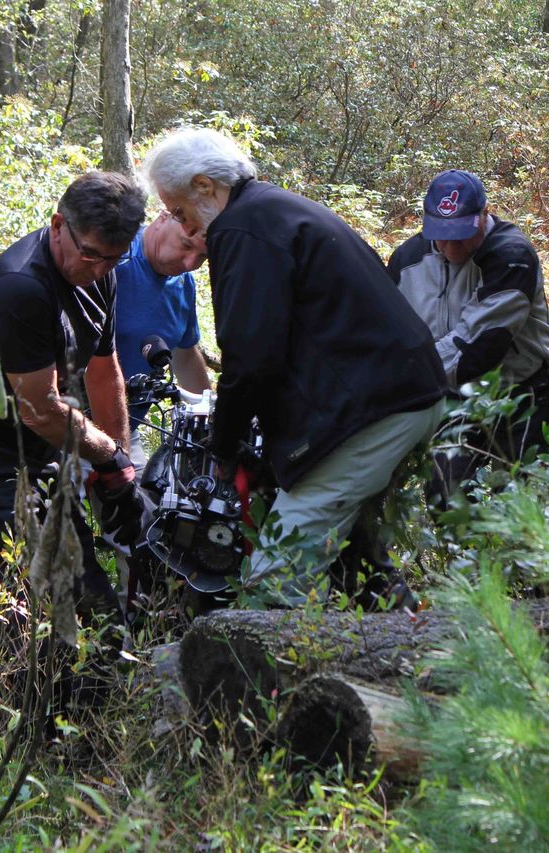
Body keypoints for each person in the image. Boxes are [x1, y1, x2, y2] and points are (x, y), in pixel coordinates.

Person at [142, 128, 449, 607]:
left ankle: (271, 671)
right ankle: (410, 652)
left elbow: (250, 355)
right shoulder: (275, 209)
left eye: (179, 210)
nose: (184, 227)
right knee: (354, 554)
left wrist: (225, 446)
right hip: (404, 395)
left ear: (204, 186)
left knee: (276, 574)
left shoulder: (241, 228)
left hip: (372, 410)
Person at [0, 170, 147, 622]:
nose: (99, 270)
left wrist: (121, 467)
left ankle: (92, 683)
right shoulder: (22, 285)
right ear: (58, 225)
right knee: (30, 598)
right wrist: (106, 456)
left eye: (114, 260)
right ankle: (23, 687)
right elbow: (40, 408)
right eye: (92, 256)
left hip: (35, 442)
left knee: (87, 594)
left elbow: (104, 371)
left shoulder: (101, 268)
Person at [386, 169, 549, 504]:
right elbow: (386, 333)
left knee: (524, 509)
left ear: (484, 215)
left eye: (461, 234)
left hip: (523, 395)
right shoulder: (407, 261)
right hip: (451, 401)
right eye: (442, 234)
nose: (451, 246)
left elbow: (475, 350)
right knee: (447, 503)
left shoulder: (512, 257)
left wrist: (400, 376)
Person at [113, 212, 211, 469]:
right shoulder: (115, 257)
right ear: (164, 217)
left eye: (202, 256)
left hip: (126, 427)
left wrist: (209, 418)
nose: (191, 263)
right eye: (186, 245)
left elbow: (185, 355)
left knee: (144, 505)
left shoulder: (183, 283)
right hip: (74, 422)